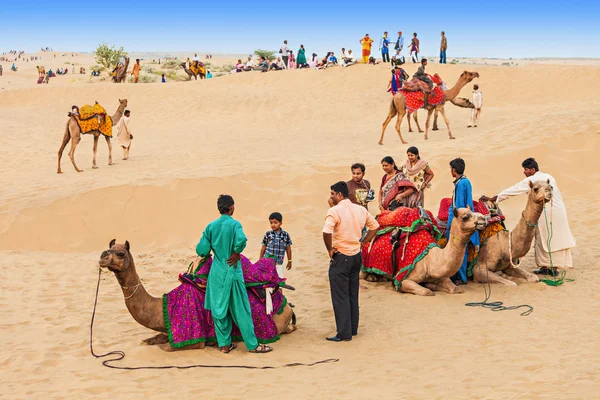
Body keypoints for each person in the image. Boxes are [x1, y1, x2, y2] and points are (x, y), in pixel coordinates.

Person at [196, 195, 273, 353]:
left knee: (219, 310)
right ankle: (253, 345)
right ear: (231, 208)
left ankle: (224, 345)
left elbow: (202, 250)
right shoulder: (235, 224)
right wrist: (236, 252)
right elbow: (241, 240)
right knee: (242, 310)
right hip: (232, 271)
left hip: (216, 273)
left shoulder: (210, 227)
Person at [480, 158, 576, 276]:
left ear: (532, 170)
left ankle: (552, 268)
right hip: (557, 210)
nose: (524, 172)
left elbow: (514, 189)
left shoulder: (533, 180)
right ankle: (547, 266)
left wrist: (494, 198)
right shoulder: (548, 176)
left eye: (526, 169)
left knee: (546, 237)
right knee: (547, 237)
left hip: (546, 211)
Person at [323, 181, 379, 342]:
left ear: (340, 195)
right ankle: (352, 329)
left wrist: (329, 249)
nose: (330, 197)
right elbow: (374, 226)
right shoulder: (360, 209)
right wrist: (364, 241)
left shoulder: (334, 211)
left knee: (340, 296)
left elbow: (326, 232)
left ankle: (344, 333)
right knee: (352, 294)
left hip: (341, 256)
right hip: (356, 256)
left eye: (332, 194)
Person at [447, 158, 479, 285]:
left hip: (459, 220)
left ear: (454, 170)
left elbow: (459, 206)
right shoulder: (463, 182)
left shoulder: (461, 184)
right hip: (459, 217)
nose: (450, 171)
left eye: (451, 169)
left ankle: (460, 277)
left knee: (459, 248)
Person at [259, 212, 293, 279]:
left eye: (275, 222)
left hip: (279, 263)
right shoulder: (268, 234)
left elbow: (288, 249)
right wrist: (260, 260)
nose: (273, 225)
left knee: (279, 281)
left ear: (280, 223)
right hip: (268, 262)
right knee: (268, 281)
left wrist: (289, 261)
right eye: (271, 223)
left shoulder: (285, 235)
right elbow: (263, 247)